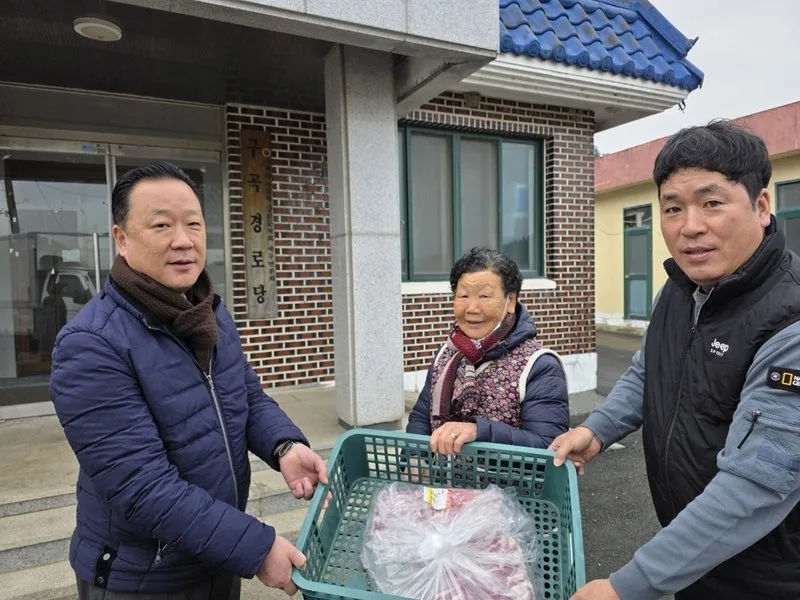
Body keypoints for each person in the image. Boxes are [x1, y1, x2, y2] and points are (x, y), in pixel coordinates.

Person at [49, 161, 327, 600]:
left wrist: (284, 446)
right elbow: (141, 486)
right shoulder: (91, 344)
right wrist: (256, 548)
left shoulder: (208, 313)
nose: (183, 240)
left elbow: (245, 396)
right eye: (161, 225)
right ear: (121, 238)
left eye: (193, 224)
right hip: (144, 577)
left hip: (215, 554)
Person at [550, 120, 800, 600]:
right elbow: (650, 370)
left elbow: (755, 485)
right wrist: (598, 428)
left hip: (767, 579)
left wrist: (628, 586)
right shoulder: (681, 290)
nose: (690, 226)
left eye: (712, 203)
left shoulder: (789, 321)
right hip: (692, 560)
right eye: (672, 208)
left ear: (761, 206)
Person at [406, 247, 569, 455]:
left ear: (511, 301)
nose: (472, 308)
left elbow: (548, 445)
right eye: (463, 296)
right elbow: (421, 417)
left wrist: (479, 431)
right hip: (441, 477)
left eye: (484, 296)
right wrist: (414, 459)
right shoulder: (446, 354)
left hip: (505, 478)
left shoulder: (539, 365)